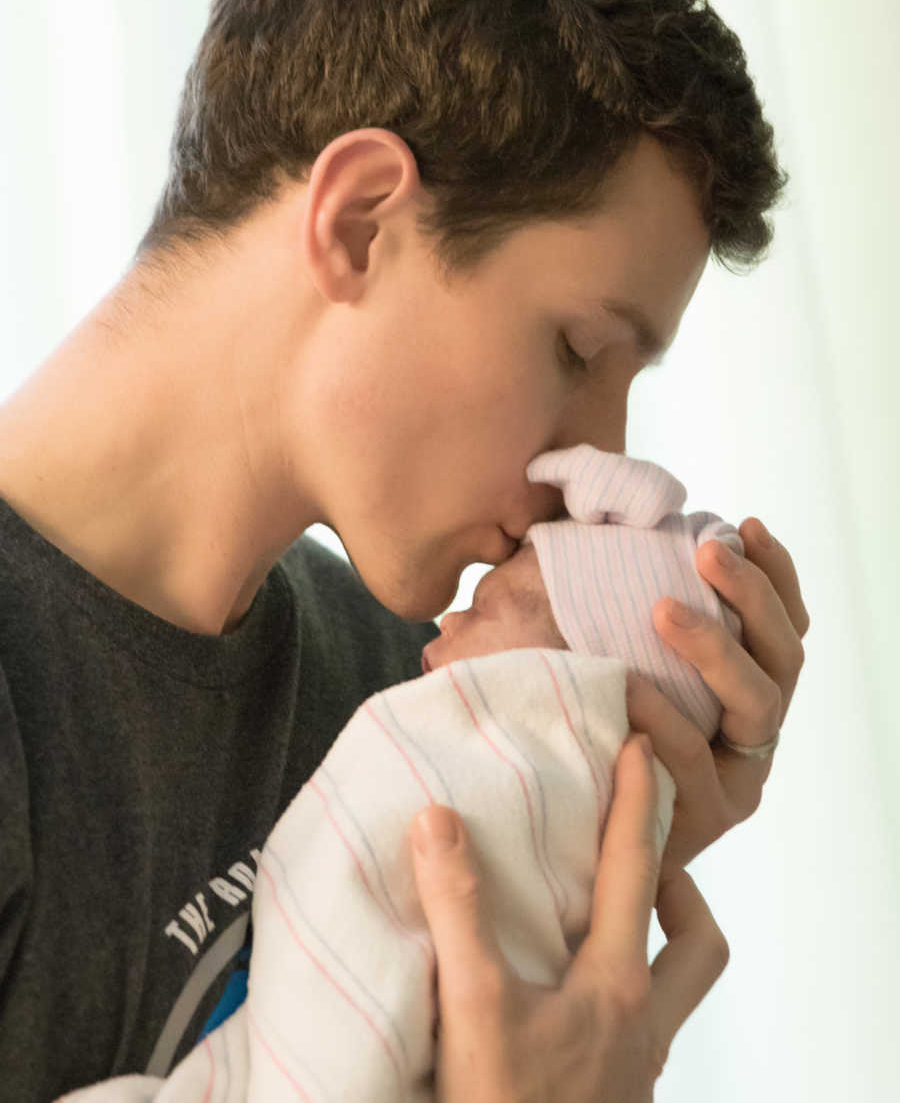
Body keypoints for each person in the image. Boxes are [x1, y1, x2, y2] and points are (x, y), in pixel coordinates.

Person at [0, 0, 809, 1103]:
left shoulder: (410, 689)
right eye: (578, 351)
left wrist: (600, 826)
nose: (590, 466)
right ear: (361, 220)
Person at [54, 442, 752, 1103]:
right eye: (575, 347)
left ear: (568, 675)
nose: (447, 620)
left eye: (485, 608)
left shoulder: (398, 668)